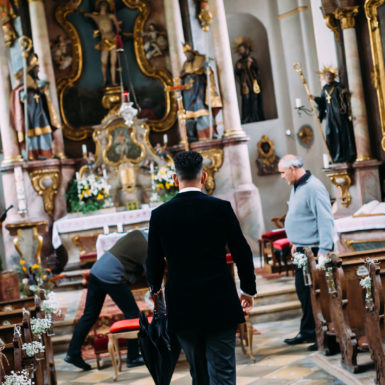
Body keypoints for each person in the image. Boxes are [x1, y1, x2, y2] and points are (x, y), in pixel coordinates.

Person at [146, 151, 256, 385]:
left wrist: (155, 290)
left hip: (182, 304)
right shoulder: (221, 208)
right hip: (220, 300)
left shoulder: (160, 215)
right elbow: (242, 253)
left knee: (198, 373)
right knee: (223, 371)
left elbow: (153, 262)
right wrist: (248, 290)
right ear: (203, 177)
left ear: (175, 179)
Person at [65, 230, 148, 370]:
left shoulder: (138, 233)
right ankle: (133, 357)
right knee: (132, 314)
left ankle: (72, 353)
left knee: (89, 315)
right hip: (112, 276)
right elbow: (150, 272)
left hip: (97, 271)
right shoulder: (148, 246)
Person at [278, 154, 334, 351]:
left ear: (293, 169)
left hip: (315, 251)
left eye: (283, 173)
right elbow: (302, 216)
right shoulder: (298, 186)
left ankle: (322, 335)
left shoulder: (313, 187)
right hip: (302, 248)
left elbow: (325, 219)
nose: (282, 177)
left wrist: (325, 251)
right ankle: (308, 330)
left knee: (317, 295)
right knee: (304, 293)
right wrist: (295, 241)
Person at [10, 53, 58, 160]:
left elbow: (42, 93)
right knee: (32, 134)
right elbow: (17, 94)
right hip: (30, 113)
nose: (38, 70)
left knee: (45, 131)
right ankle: (33, 154)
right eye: (36, 68)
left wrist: (42, 90)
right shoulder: (24, 83)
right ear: (31, 69)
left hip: (40, 110)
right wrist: (23, 95)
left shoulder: (36, 82)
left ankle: (47, 153)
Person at [312, 69, 356, 163]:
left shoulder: (338, 86)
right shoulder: (324, 89)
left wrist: (345, 93)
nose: (328, 77)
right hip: (330, 115)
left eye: (330, 75)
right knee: (329, 134)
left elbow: (344, 97)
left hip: (339, 114)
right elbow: (323, 103)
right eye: (326, 76)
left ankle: (343, 155)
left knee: (339, 133)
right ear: (324, 78)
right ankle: (334, 155)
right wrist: (315, 98)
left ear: (333, 76)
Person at [180, 44, 222, 142]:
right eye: (185, 54)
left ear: (192, 52)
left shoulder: (201, 59)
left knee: (202, 111)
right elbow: (182, 75)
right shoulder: (185, 64)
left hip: (199, 90)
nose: (187, 56)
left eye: (188, 53)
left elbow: (207, 74)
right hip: (188, 93)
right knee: (190, 115)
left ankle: (210, 133)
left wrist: (207, 69)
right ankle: (192, 136)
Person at [80, 0, 120, 86]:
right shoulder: (96, 16)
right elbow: (85, 14)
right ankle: (105, 80)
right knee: (104, 61)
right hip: (104, 40)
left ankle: (113, 81)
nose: (103, 6)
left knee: (113, 62)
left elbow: (118, 28)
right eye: (102, 5)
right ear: (99, 6)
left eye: (105, 5)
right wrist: (80, 9)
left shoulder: (111, 16)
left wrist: (120, 34)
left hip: (112, 39)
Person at [234, 39, 264, 123]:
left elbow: (257, 71)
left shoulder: (252, 60)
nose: (241, 51)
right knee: (246, 99)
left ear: (246, 49)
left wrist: (253, 64)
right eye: (239, 50)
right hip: (245, 84)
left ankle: (256, 117)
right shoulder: (239, 62)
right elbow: (237, 74)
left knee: (254, 99)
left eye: (242, 49)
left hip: (253, 82)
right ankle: (246, 118)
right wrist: (238, 69)